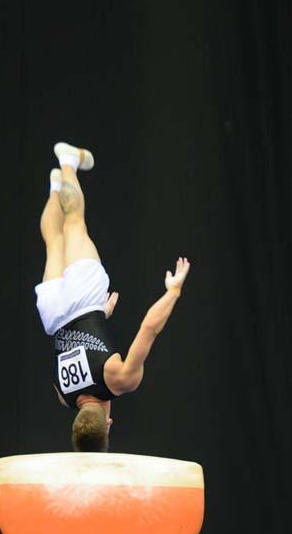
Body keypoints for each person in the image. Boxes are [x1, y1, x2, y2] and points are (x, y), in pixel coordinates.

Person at [36, 141, 191, 452]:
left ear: (109, 424)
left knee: (75, 223)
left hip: (84, 299)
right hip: (53, 314)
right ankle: (56, 186)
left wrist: (173, 291)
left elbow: (148, 329)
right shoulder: (61, 394)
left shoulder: (119, 380)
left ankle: (67, 161)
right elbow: (76, 345)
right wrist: (100, 319)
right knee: (54, 242)